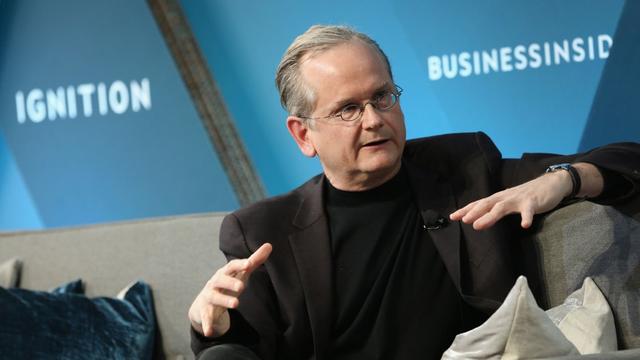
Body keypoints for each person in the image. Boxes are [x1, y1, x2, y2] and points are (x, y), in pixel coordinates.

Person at [188, 25, 640, 359]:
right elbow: (240, 347)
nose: (373, 119)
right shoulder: (263, 231)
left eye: (382, 97)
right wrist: (211, 328)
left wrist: (564, 178)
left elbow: (626, 158)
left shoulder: (466, 168)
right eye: (348, 109)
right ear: (303, 135)